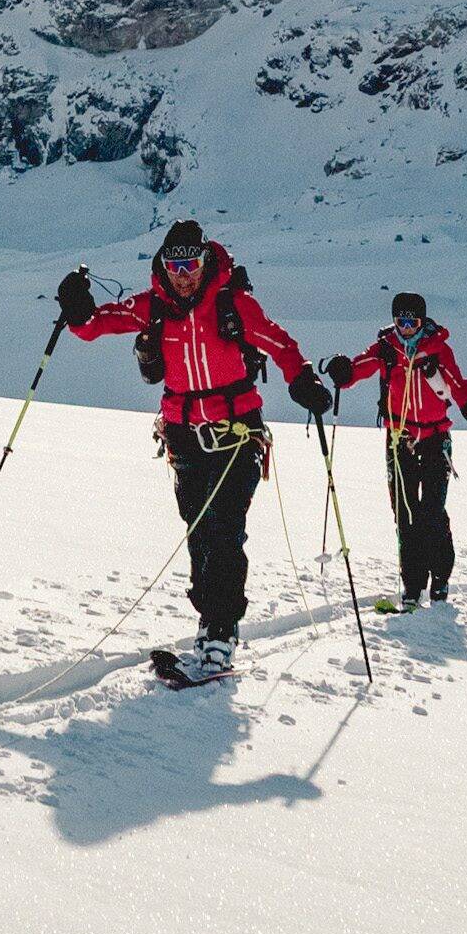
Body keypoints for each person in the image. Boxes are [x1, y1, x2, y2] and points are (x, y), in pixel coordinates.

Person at [57, 218, 331, 682]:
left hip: (237, 434)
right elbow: (95, 326)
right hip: (183, 438)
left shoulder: (234, 305)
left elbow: (279, 342)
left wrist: (302, 378)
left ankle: (222, 632)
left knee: (225, 531)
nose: (184, 273)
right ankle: (209, 624)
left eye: (192, 263)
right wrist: (77, 309)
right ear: (163, 265)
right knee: (200, 533)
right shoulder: (153, 308)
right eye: (174, 264)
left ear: (206, 262)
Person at [326, 292, 467, 608]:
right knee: (405, 515)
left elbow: (457, 385)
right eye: (400, 321)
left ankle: (440, 579)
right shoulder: (386, 350)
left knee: (432, 512)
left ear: (422, 321)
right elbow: (359, 368)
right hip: (399, 440)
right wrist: (343, 372)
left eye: (412, 322)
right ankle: (413, 585)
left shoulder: (438, 350)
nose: (406, 328)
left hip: (435, 440)